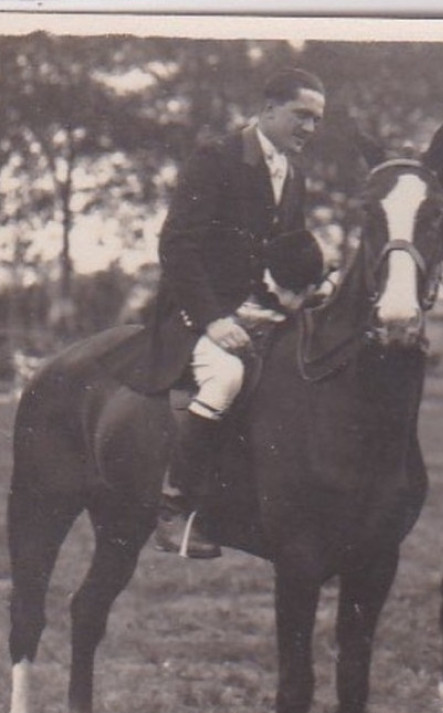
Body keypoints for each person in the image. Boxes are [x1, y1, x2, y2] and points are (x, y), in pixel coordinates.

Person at [127, 68, 330, 559]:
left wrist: (307, 289)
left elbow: (285, 255)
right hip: (196, 316)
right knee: (226, 378)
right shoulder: (215, 158)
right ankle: (173, 512)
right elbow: (177, 246)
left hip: (260, 312)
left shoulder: (294, 173)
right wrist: (213, 320)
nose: (309, 128)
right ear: (268, 110)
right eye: (301, 115)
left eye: (317, 120)